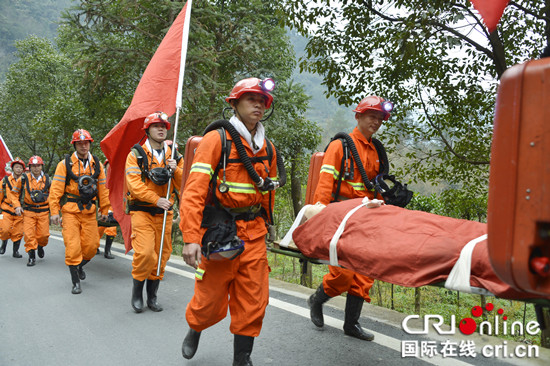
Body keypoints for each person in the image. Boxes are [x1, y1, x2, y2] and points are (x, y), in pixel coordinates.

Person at [180, 77, 279, 365]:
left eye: (262, 101)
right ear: (234, 104)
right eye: (251, 99)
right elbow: (194, 191)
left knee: (254, 301)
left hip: (254, 235)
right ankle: (196, 326)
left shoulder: (268, 148)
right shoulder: (217, 139)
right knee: (208, 301)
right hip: (220, 234)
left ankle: (242, 359)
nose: (258, 104)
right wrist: (190, 237)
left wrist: (270, 226)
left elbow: (266, 192)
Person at [307, 95, 394, 342]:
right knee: (342, 274)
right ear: (358, 116)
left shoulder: (377, 150)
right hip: (341, 218)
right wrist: (320, 216)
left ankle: (351, 324)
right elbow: (325, 184)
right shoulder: (341, 146)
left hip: (367, 219)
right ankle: (317, 299)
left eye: (380, 118)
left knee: (365, 273)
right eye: (371, 116)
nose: (376, 122)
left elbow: (377, 187)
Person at [125, 112, 183, 313]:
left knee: (161, 255)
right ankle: (136, 292)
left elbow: (184, 184)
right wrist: (156, 199)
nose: (161, 129)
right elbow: (134, 186)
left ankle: (152, 296)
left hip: (164, 214)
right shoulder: (136, 155)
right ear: (147, 130)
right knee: (145, 253)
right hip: (142, 211)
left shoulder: (174, 154)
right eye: (156, 125)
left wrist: (176, 170)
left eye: (164, 126)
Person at [49, 129, 110, 294]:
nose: (83, 146)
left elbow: (103, 189)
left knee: (92, 246)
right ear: (74, 145)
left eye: (86, 142)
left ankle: (79, 266)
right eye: (79, 143)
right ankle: (75, 281)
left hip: (89, 210)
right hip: (70, 211)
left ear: (90, 143)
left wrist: (104, 208)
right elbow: (55, 190)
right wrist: (54, 211)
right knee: (73, 246)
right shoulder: (65, 165)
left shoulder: (96, 165)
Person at [21, 156, 51, 266]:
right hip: (29, 211)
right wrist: (17, 206)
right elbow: (15, 194)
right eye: (33, 166)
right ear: (30, 167)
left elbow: (54, 195)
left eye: (38, 165)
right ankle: (31, 256)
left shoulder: (48, 179)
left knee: (43, 236)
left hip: (43, 211)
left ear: (42, 166)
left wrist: (55, 210)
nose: (36, 168)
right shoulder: (24, 179)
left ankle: (40, 246)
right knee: (29, 235)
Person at [0, 158, 26, 258]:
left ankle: (15, 251)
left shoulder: (25, 181)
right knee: (4, 229)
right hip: (6, 209)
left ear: (23, 170)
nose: (18, 169)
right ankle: (4, 244)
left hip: (20, 212)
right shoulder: (4, 181)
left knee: (18, 232)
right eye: (16, 167)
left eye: (20, 167)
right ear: (12, 168)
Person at [97, 159, 116, 259]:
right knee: (98, 229)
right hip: (103, 207)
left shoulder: (118, 179)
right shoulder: (100, 178)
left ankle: (107, 250)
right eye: (109, 166)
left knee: (112, 229)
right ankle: (94, 246)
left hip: (113, 208)